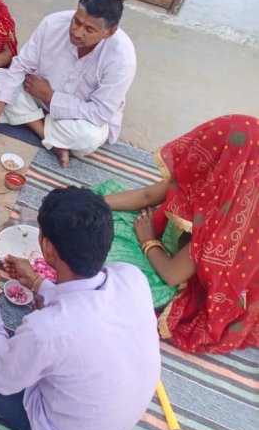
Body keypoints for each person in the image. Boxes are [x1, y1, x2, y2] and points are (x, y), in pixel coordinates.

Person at [0, 187, 161, 430]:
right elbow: (83, 301)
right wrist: (37, 282)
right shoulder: (132, 277)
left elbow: (1, 377)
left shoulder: (46, 330)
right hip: (110, 416)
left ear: (47, 247)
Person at [104, 115, 258, 354]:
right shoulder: (217, 181)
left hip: (189, 279)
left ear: (226, 165)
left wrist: (148, 241)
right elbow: (147, 195)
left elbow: (172, 274)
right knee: (99, 210)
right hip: (181, 254)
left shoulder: (228, 224)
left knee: (116, 277)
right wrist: (92, 202)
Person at [0, 0, 135, 167]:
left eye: (89, 29)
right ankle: (52, 140)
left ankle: (38, 128)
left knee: (89, 138)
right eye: (77, 21)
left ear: (110, 32)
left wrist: (51, 96)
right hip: (36, 96)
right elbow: (21, 65)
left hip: (77, 117)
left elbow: (100, 113)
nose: (77, 32)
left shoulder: (122, 58)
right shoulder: (53, 23)